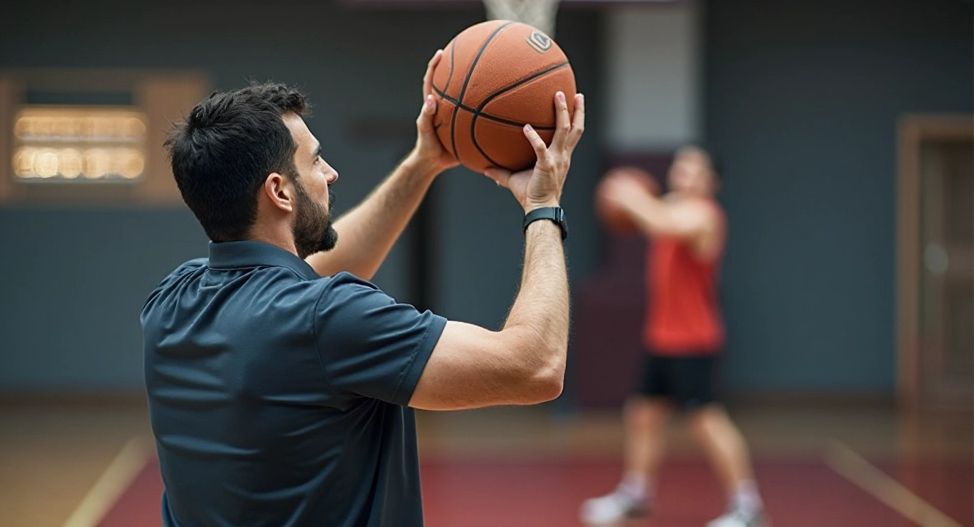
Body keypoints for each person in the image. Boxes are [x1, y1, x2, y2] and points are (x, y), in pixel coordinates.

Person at [140, 49, 586, 527]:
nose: (330, 173)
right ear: (280, 191)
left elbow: (315, 275)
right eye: (315, 160)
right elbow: (536, 367)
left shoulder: (170, 300)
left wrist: (423, 162)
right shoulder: (327, 318)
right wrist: (543, 206)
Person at [580, 147, 767, 527]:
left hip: (693, 340)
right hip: (661, 338)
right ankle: (636, 494)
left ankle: (748, 508)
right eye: (681, 165)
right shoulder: (668, 205)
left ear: (711, 181)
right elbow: (652, 217)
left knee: (707, 422)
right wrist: (628, 201)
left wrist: (628, 193)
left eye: (694, 168)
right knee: (642, 415)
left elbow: (662, 223)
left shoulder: (705, 215)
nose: (684, 172)